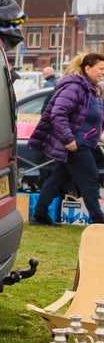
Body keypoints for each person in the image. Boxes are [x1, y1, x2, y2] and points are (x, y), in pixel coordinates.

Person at [28, 52, 104, 225]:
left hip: (82, 142)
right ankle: (98, 220)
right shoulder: (75, 87)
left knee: (58, 178)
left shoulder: (92, 88)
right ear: (87, 68)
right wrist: (68, 140)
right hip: (76, 144)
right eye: (100, 68)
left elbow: (95, 114)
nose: (103, 72)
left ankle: (39, 214)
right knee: (90, 179)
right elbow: (58, 113)